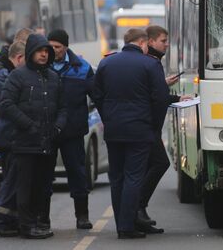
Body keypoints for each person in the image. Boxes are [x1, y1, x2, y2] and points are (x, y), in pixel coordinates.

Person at [94, 28, 169, 239]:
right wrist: (153, 125)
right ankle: (127, 227)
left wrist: (108, 118)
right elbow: (160, 99)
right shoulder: (150, 64)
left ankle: (121, 224)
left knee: (116, 177)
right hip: (140, 129)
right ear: (143, 43)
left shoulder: (107, 63)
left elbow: (97, 94)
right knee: (133, 177)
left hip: (114, 130)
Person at [0, 34, 67, 239]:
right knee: (25, 187)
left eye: (46, 51)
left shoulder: (54, 77)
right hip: (25, 143)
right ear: (30, 52)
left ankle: (41, 221)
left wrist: (57, 127)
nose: (44, 55)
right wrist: (28, 125)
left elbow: (63, 108)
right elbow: (6, 104)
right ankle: (27, 226)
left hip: (47, 142)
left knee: (44, 186)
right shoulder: (18, 76)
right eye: (40, 51)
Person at [135, 25, 189, 233]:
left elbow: (151, 90)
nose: (166, 45)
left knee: (149, 166)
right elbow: (154, 97)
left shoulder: (153, 62)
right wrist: (176, 98)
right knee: (159, 163)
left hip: (149, 126)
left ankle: (139, 212)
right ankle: (138, 207)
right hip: (148, 126)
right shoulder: (151, 63)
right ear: (149, 42)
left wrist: (164, 83)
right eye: (163, 41)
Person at [43, 29, 94, 230]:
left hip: (72, 130)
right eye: (51, 46)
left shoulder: (81, 68)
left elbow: (96, 94)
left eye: (58, 47)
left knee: (77, 174)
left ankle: (82, 216)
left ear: (66, 47)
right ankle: (43, 218)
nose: (53, 51)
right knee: (45, 175)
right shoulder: (40, 66)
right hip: (47, 130)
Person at [0, 41, 26, 237]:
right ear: (19, 58)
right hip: (9, 134)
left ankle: (9, 221)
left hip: (7, 133)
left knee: (12, 181)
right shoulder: (3, 75)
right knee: (11, 182)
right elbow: (10, 106)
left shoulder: (3, 72)